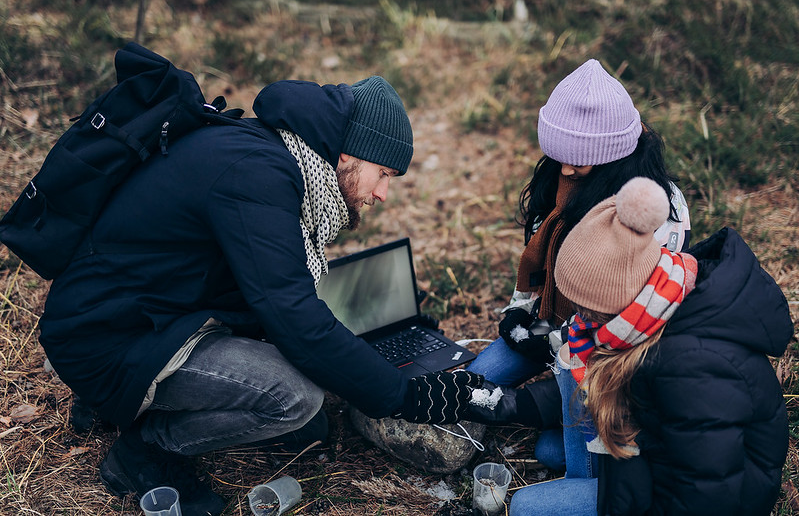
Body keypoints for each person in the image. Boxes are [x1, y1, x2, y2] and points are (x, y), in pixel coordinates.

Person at [37, 75, 484, 516]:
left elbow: (282, 287)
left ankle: (119, 401)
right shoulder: (256, 176)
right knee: (295, 399)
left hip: (150, 313)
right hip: (107, 336)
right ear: (348, 152)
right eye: (382, 174)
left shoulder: (275, 156)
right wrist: (402, 396)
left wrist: (379, 327)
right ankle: (145, 448)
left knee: (311, 416)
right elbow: (294, 318)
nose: (383, 194)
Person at [490, 177, 791, 515]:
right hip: (655, 445)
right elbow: (603, 386)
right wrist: (505, 405)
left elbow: (708, 490)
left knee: (526, 507)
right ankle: (588, 474)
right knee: (548, 448)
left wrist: (621, 492)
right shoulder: (643, 315)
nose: (577, 316)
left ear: (615, 300)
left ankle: (590, 478)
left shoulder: (691, 365)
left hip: (702, 490)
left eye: (585, 306)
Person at [466, 58, 691, 471]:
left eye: (578, 160)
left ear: (612, 155)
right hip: (547, 327)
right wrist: (520, 313)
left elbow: (631, 325)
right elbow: (538, 264)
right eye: (558, 155)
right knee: (477, 379)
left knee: (551, 451)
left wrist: (557, 344)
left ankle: (567, 422)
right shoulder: (560, 178)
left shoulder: (654, 209)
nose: (566, 167)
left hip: (603, 356)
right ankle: (556, 413)